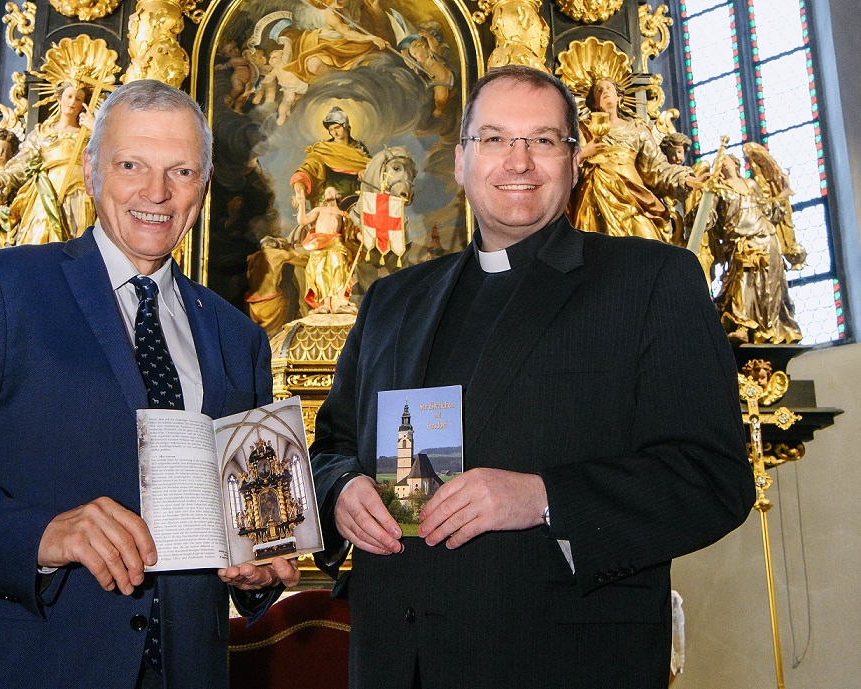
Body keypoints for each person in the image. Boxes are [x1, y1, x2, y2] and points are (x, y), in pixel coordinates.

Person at [310, 65, 754, 688]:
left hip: (561, 662)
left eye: (543, 141)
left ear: (575, 163)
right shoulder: (393, 299)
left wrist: (545, 498)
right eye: (493, 140)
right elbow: (330, 446)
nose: (518, 162)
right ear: (461, 162)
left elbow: (713, 479)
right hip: (396, 662)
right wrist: (341, 492)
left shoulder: (652, 281)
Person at [0, 79, 299, 689]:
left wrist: (251, 570)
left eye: (181, 171)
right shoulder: (1, 288)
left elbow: (239, 522)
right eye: (131, 165)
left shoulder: (237, 337)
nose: (157, 192)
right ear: (91, 172)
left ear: (204, 184)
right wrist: (40, 534)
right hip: (16, 667)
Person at [569, 78, 699, 243]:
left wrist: (685, 179)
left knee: (647, 245)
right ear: (594, 103)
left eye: (608, 88)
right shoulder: (584, 129)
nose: (605, 92)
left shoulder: (638, 130)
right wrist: (585, 152)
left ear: (619, 97)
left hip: (635, 197)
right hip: (597, 196)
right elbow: (563, 164)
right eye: (599, 91)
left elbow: (657, 169)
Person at [707, 154, 805, 343]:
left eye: (724, 159)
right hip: (741, 241)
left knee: (769, 286)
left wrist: (784, 192)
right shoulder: (719, 190)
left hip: (766, 237)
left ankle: (768, 328)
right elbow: (710, 221)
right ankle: (743, 326)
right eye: (717, 162)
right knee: (744, 281)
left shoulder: (750, 184)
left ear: (736, 164)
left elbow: (768, 211)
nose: (720, 163)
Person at [0, 80, 97, 245]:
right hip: (47, 194)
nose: (73, 102)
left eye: (78, 99)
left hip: (80, 196)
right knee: (39, 238)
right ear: (59, 99)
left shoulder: (89, 136)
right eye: (69, 96)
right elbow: (22, 162)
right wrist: (0, 179)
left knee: (76, 243)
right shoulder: (42, 133)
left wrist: (96, 128)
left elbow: (112, 158)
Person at [291, 106, 371, 210]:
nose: (334, 132)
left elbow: (373, 168)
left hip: (356, 202)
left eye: (337, 127)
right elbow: (307, 169)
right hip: (330, 202)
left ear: (345, 126)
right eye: (331, 130)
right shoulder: (324, 149)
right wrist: (299, 191)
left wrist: (366, 171)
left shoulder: (360, 148)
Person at [297, 185, 357, 313]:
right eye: (326, 192)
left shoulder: (342, 213)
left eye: (331, 191)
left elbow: (352, 232)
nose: (328, 192)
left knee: (339, 267)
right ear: (324, 197)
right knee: (320, 272)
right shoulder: (319, 210)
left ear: (337, 195)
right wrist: (302, 204)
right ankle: (326, 304)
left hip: (335, 242)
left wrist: (362, 237)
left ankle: (341, 301)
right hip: (319, 244)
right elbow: (303, 220)